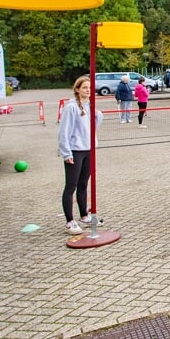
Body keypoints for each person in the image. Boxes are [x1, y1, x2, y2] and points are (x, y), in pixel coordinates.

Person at [58, 76, 103, 235]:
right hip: (75, 151)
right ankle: (70, 221)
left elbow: (93, 126)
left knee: (84, 184)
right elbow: (64, 131)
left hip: (88, 149)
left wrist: (98, 115)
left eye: (90, 88)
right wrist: (66, 152)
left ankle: (84, 215)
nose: (88, 90)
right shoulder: (71, 108)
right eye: (84, 87)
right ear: (77, 89)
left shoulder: (91, 107)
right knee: (71, 186)